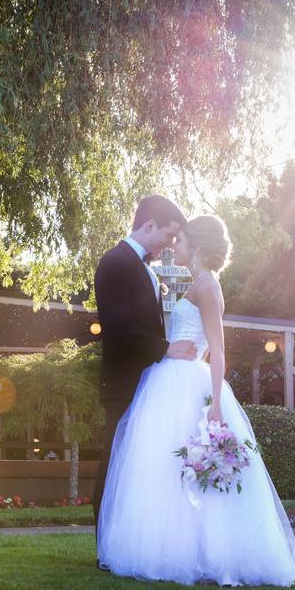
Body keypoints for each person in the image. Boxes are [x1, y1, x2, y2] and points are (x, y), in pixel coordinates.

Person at [96, 214, 295, 587]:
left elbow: (218, 350)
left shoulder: (207, 286)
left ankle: (202, 553)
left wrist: (216, 404)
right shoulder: (197, 284)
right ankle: (178, 548)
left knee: (185, 466)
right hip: (172, 378)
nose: (176, 246)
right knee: (169, 467)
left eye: (183, 241)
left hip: (188, 383)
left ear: (199, 248)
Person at [92, 195, 196, 547]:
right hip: (123, 384)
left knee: (136, 465)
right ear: (148, 225)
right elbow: (117, 326)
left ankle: (130, 543)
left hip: (148, 384)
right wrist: (165, 349)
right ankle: (106, 547)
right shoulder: (115, 262)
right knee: (114, 463)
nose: (170, 243)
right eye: (168, 235)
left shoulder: (146, 269)